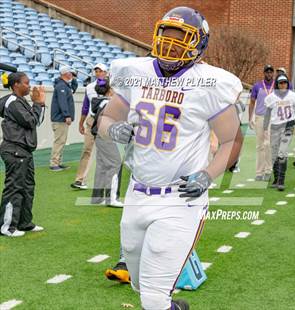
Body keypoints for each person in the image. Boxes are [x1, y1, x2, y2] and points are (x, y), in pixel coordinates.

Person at [98, 6, 243, 310]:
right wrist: (116, 130)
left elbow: (232, 138)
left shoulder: (209, 83)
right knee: (139, 285)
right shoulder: (136, 73)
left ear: (198, 44)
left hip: (179, 197)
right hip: (137, 193)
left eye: (182, 39)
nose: (171, 44)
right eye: (167, 36)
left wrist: (207, 175)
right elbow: (106, 119)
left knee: (152, 297)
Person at [0, 72, 46, 237]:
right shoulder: (13, 102)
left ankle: (24, 223)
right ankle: (7, 227)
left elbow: (35, 122)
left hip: (24, 150)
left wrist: (37, 104)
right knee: (14, 188)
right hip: (14, 150)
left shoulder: (20, 101)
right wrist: (39, 103)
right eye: (26, 83)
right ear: (16, 85)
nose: (29, 86)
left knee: (27, 187)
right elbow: (31, 121)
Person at [71, 63, 108, 189]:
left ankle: (103, 181)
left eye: (101, 71)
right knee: (87, 150)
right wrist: (81, 123)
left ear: (106, 73)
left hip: (107, 121)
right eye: (96, 71)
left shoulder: (113, 87)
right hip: (92, 120)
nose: (98, 73)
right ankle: (80, 179)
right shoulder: (90, 87)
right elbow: (86, 107)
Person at [89, 78, 124, 207]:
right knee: (115, 163)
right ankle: (111, 198)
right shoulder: (108, 103)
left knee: (102, 166)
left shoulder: (98, 102)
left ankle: (97, 198)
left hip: (99, 136)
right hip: (106, 136)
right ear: (110, 90)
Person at [263, 74, 295, 190]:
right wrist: (265, 127)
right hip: (275, 127)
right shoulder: (271, 97)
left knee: (282, 152)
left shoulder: (293, 96)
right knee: (274, 154)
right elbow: (268, 113)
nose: (283, 85)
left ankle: (281, 181)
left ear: (287, 84)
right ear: (277, 84)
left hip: (288, 126)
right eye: (280, 83)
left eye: (284, 82)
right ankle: (276, 178)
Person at [249, 64, 274, 181]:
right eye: (267, 72)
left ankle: (268, 170)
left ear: (273, 73)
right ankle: (259, 172)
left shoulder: (276, 85)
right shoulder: (257, 86)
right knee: (260, 145)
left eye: (271, 72)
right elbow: (252, 102)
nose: (269, 74)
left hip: (272, 118)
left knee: (268, 144)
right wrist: (250, 118)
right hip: (260, 117)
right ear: (264, 73)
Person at [49, 65, 75, 171]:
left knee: (61, 141)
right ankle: (54, 163)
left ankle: (58, 162)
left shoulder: (64, 85)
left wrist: (74, 80)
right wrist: (67, 115)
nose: (72, 75)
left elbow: (74, 89)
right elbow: (62, 102)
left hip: (61, 119)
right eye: (71, 73)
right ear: (66, 73)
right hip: (60, 119)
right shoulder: (61, 86)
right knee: (59, 141)